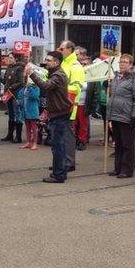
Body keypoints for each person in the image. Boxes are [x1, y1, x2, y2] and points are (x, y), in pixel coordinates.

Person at [26, 51, 72, 183]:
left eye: (49, 60)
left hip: (60, 114)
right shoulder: (55, 73)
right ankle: (58, 171)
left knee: (58, 146)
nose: (46, 62)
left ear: (56, 62)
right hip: (57, 113)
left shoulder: (58, 75)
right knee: (57, 145)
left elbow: (45, 86)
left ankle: (59, 175)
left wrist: (32, 73)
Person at [107, 54, 135, 178]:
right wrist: (109, 116)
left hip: (126, 116)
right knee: (118, 144)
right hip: (115, 115)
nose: (122, 64)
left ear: (130, 65)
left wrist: (134, 116)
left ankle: (127, 169)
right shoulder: (116, 78)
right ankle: (117, 168)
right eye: (121, 62)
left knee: (127, 145)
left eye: (125, 62)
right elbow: (112, 96)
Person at [58, 40, 86, 171]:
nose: (59, 50)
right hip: (60, 106)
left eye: (62, 49)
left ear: (70, 50)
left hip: (68, 107)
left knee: (68, 137)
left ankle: (69, 162)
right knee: (61, 137)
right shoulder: (64, 64)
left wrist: (58, 88)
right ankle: (61, 161)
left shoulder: (75, 66)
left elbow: (76, 87)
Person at [75, 55, 100, 150]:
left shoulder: (92, 77)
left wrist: (92, 108)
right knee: (73, 123)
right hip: (74, 103)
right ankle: (74, 140)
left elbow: (96, 93)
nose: (83, 65)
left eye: (85, 64)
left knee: (83, 124)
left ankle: (82, 141)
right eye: (81, 64)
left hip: (84, 104)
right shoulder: (76, 74)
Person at [1, 52, 25, 143]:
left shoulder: (19, 68)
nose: (9, 59)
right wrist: (0, 78)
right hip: (8, 94)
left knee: (17, 114)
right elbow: (6, 81)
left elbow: (21, 82)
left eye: (11, 58)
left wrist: (12, 87)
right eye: (8, 57)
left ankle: (18, 137)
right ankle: (10, 135)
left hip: (16, 94)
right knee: (11, 115)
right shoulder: (8, 68)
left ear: (16, 59)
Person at [19, 76, 41, 150]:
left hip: (32, 110)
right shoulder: (25, 87)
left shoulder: (36, 88)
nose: (28, 81)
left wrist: (30, 88)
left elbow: (35, 96)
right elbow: (20, 94)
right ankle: (28, 142)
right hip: (25, 109)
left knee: (34, 127)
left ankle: (35, 143)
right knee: (27, 127)